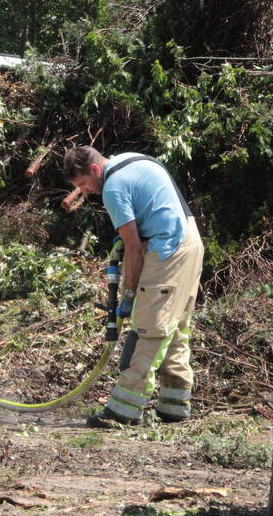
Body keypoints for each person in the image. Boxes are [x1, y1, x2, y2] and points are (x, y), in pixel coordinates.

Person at [63, 145, 204, 427]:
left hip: (168, 250)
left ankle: (123, 412)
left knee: (147, 329)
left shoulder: (113, 188)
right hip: (190, 241)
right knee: (174, 328)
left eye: (83, 184)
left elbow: (133, 249)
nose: (86, 192)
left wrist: (130, 294)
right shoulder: (129, 160)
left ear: (94, 169)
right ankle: (174, 406)